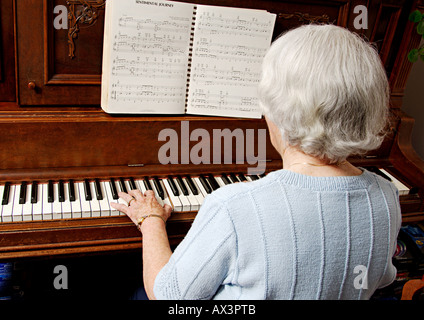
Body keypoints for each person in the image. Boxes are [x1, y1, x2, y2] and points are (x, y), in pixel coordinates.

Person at [111, 24, 401, 300]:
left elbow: (168, 296)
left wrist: (149, 220)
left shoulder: (234, 206)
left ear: (276, 108)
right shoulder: (386, 196)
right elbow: (383, 277)